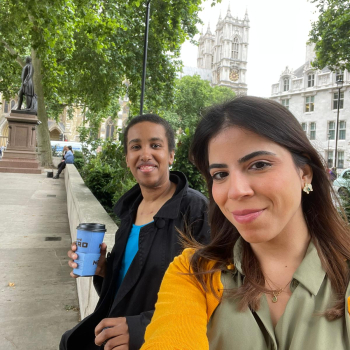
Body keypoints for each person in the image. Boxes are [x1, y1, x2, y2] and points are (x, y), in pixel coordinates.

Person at [141, 97, 350, 350]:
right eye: (220, 175)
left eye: (259, 165)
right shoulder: (194, 274)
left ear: (304, 172)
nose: (236, 191)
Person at [60, 114, 210, 350]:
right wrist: (103, 271)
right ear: (127, 158)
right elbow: (126, 285)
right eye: (136, 147)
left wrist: (142, 329)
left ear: (171, 154)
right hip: (110, 335)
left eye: (155, 145)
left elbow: (210, 292)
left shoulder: (196, 210)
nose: (145, 154)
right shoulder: (130, 210)